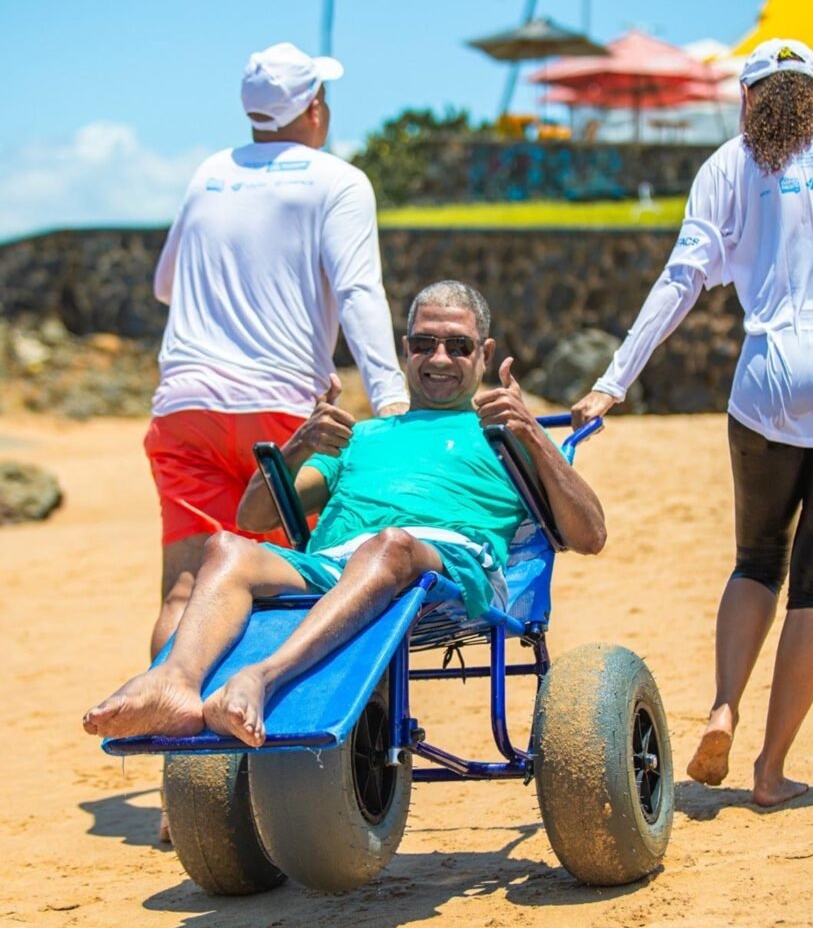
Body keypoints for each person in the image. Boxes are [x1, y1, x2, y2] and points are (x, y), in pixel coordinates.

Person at [84, 281, 606, 747]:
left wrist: (535, 434)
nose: (439, 358)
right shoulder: (360, 437)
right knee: (225, 548)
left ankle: (261, 678)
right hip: (339, 566)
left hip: (442, 567)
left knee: (390, 544)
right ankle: (175, 683)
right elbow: (256, 512)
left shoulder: (504, 436)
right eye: (424, 343)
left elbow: (590, 534)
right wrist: (299, 445)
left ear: (485, 354)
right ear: (406, 351)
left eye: (458, 346)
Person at [572, 38, 813, 807]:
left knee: (755, 560)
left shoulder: (723, 166)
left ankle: (722, 707)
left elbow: (678, 283)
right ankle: (771, 771)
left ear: (746, 98)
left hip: (761, 383)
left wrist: (612, 382)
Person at [145, 41, 409, 664]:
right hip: (285, 418)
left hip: (187, 408)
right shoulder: (338, 180)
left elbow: (165, 285)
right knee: (312, 589)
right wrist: (393, 399)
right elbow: (357, 291)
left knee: (186, 590)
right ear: (315, 106)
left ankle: (179, 737)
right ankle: (301, 741)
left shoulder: (209, 173)